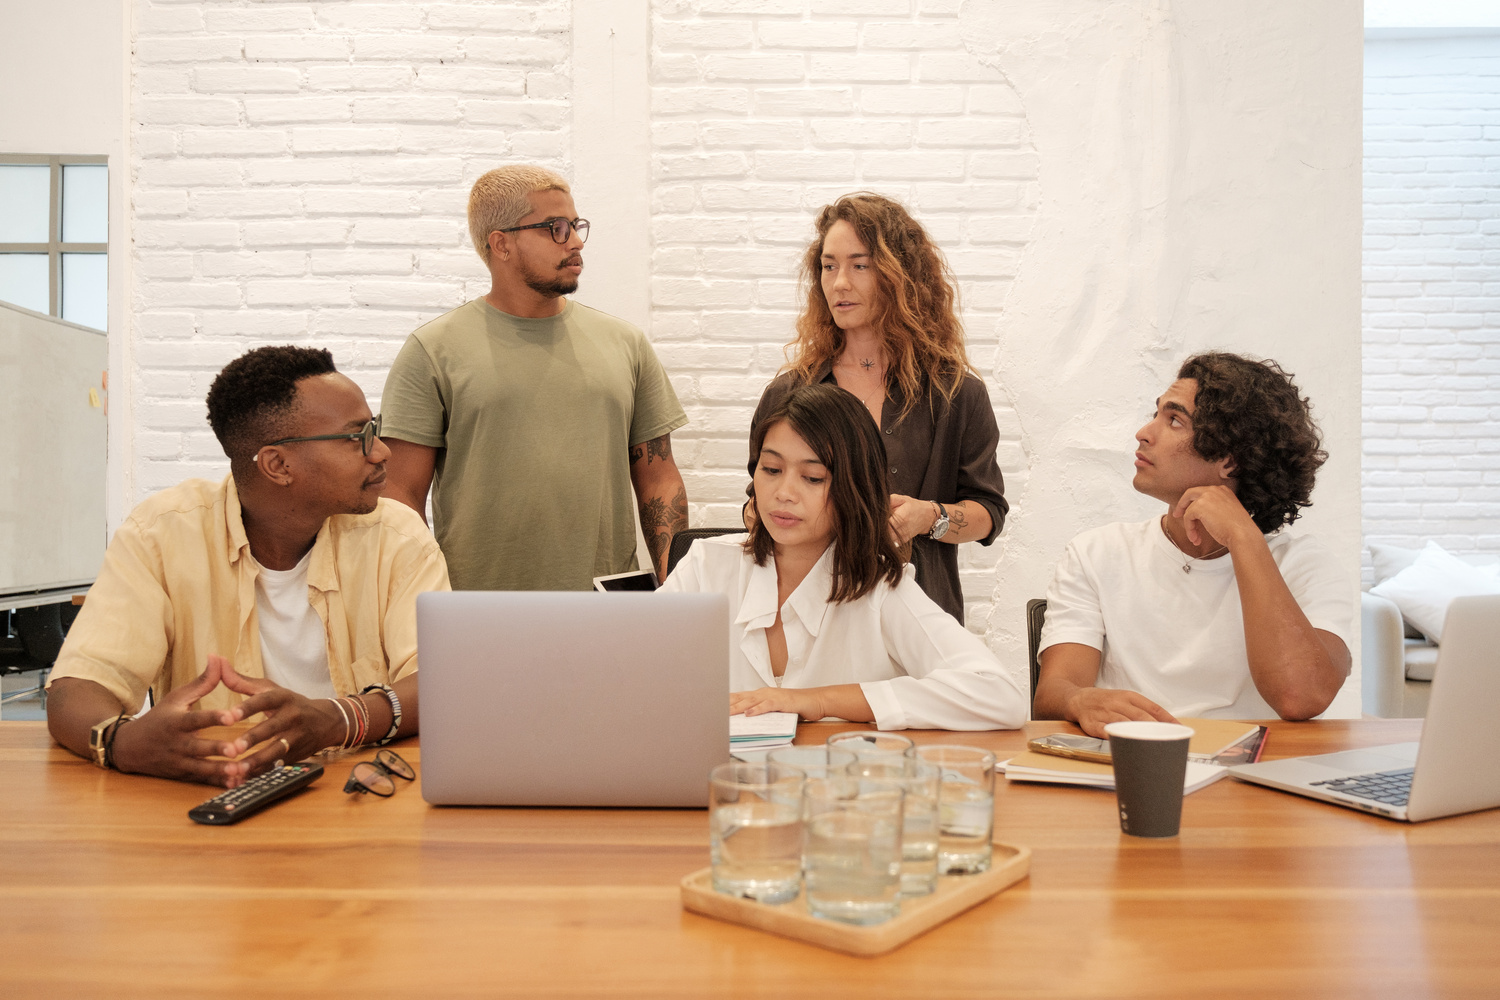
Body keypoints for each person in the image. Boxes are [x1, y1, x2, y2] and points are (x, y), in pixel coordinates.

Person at [46, 346, 451, 787]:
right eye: (357, 437)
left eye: (375, 430)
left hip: (359, 791)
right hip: (215, 791)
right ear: (278, 465)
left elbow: (443, 682)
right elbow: (76, 688)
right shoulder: (162, 534)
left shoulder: (397, 536)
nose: (382, 452)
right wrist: (121, 743)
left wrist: (340, 719)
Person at [379, 165, 688, 590]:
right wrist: (423, 600)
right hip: (478, 608)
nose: (576, 242)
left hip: (608, 603)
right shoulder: (432, 351)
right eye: (556, 228)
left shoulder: (626, 344)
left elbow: (659, 478)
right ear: (501, 244)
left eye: (576, 226)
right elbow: (399, 498)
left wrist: (674, 587)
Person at [663, 384, 1025, 731]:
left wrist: (817, 701)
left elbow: (1000, 696)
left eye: (813, 477)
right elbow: (630, 674)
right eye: (771, 470)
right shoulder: (705, 567)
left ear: (854, 486)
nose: (784, 493)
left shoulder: (880, 590)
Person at [1032, 353, 1355, 738]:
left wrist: (1243, 538)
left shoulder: (1307, 566)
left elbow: (1301, 697)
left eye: (1174, 420)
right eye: (1156, 415)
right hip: (1134, 764)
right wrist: (1078, 701)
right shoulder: (1096, 553)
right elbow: (1053, 692)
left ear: (1229, 463)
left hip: (1252, 773)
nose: (1144, 433)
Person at [749, 193, 1007, 625]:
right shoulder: (789, 393)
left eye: (860, 265)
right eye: (829, 266)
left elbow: (989, 513)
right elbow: (753, 506)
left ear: (899, 275)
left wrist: (930, 517)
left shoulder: (957, 395)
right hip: (808, 617)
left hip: (920, 617)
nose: (839, 283)